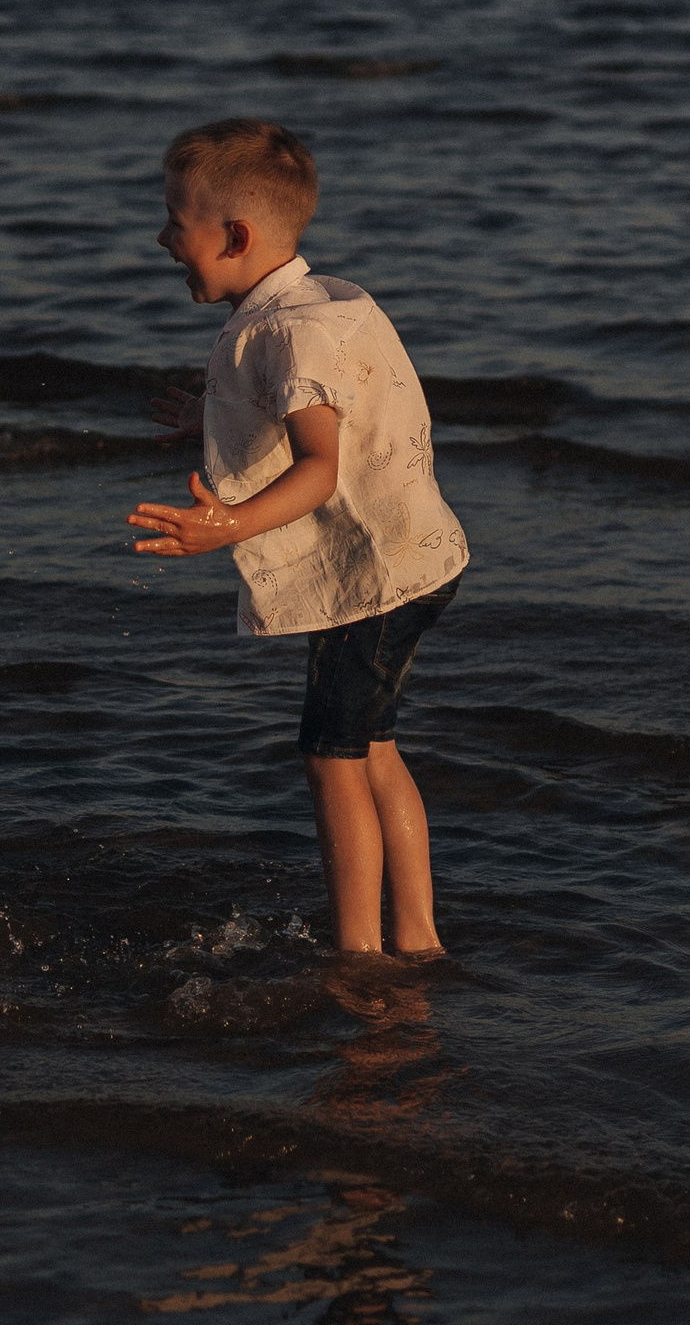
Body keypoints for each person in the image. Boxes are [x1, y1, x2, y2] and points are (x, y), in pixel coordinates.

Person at [127, 119, 468, 956]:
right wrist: (212, 414)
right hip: (414, 561)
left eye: (178, 221)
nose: (164, 237)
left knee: (330, 758)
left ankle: (359, 953)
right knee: (373, 746)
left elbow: (319, 463)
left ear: (235, 236)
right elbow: (309, 403)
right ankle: (416, 936)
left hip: (376, 578)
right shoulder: (325, 304)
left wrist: (229, 524)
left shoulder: (290, 331)